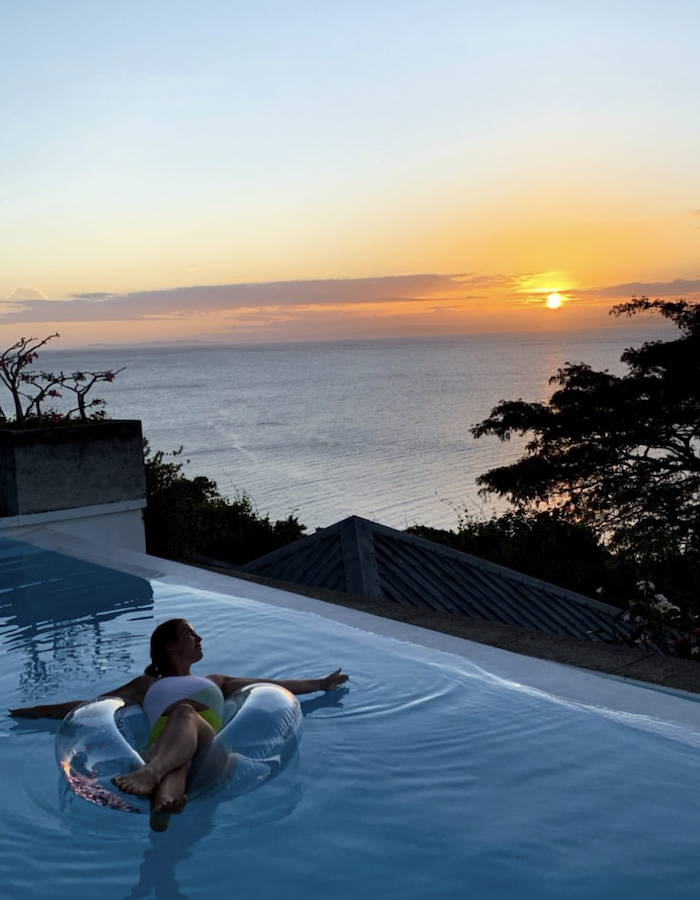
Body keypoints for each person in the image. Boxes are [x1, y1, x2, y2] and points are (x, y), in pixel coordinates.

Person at [10, 618, 348, 829]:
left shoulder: (217, 680)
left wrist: (320, 683)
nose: (199, 639)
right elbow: (92, 706)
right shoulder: (145, 686)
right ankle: (163, 811)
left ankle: (150, 775)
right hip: (168, 752)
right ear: (171, 646)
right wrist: (39, 710)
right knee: (175, 764)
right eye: (190, 634)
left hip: (211, 752)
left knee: (185, 712)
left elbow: (275, 685)